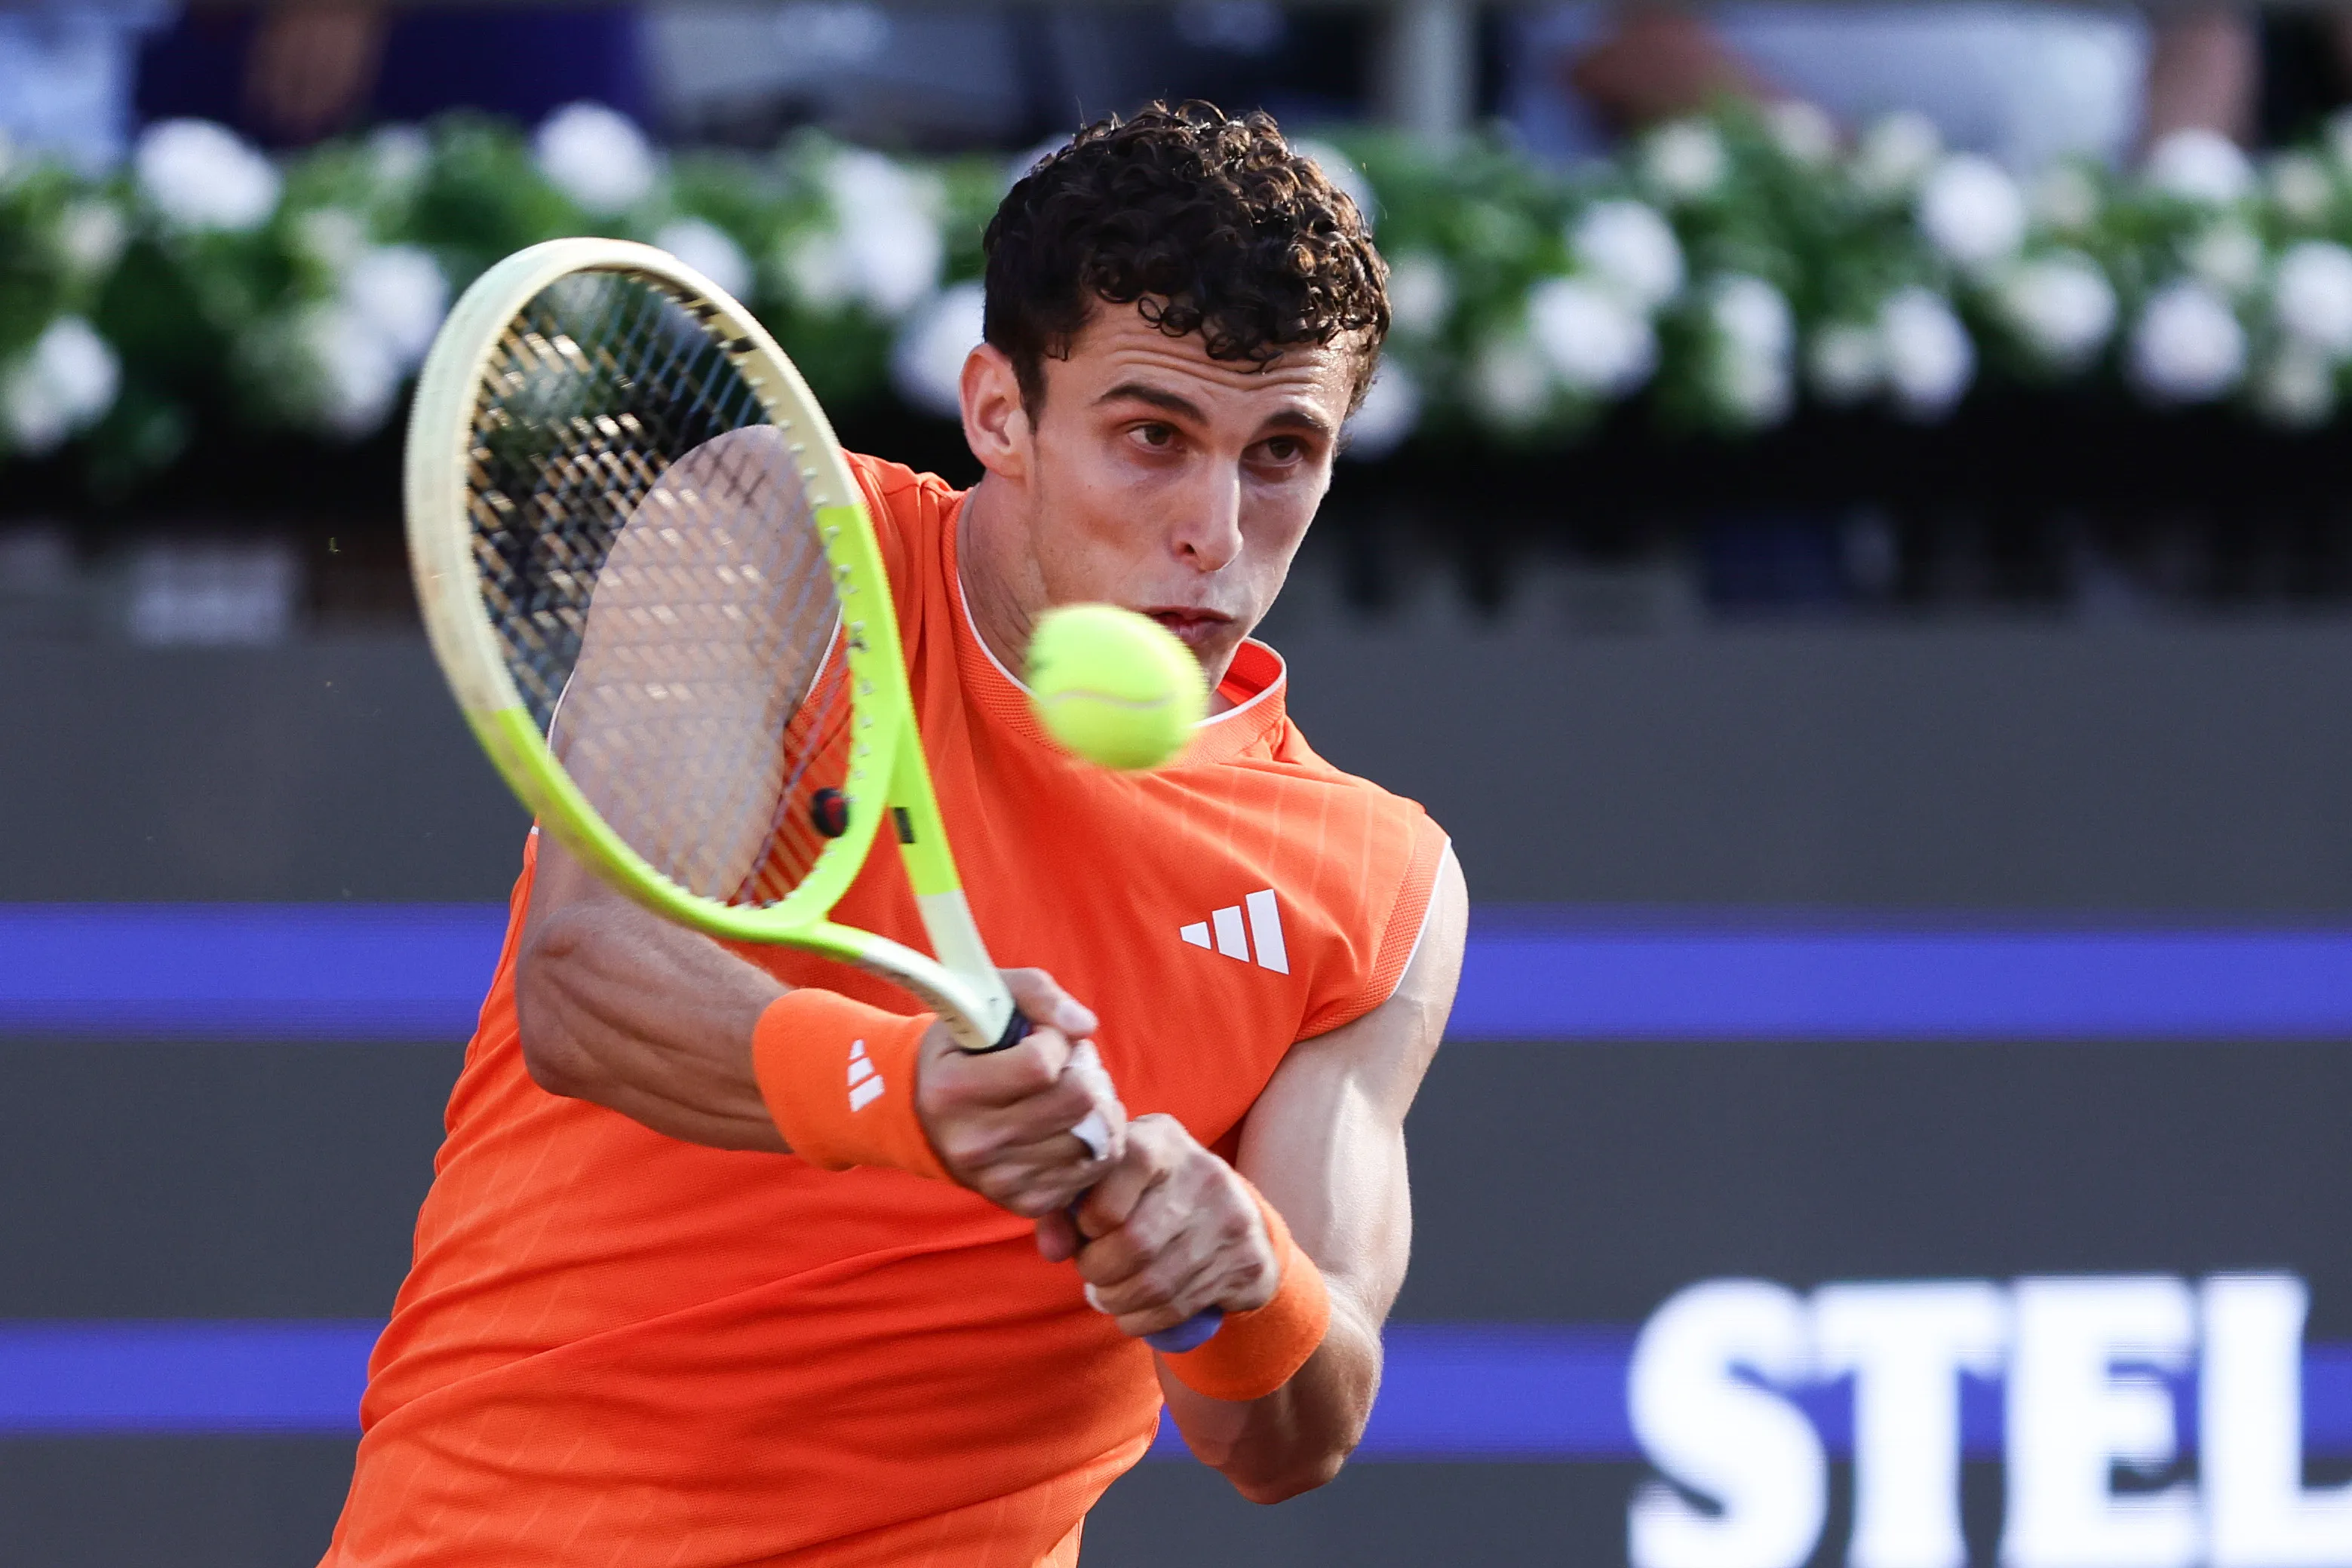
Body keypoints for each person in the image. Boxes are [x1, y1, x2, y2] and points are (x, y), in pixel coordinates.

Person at [320, 103, 1466, 1567]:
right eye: (1150, 436)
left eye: (1280, 452)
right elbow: (591, 981)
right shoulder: (774, 532)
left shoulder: (1374, 884)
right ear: (999, 411)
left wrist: (1241, 1287)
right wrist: (909, 1087)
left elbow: (1292, 1435)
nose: (1213, 527)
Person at [1511, 2, 2258, 169]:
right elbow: (1615, 47)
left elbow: (2205, 31)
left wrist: (2173, 201)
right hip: (1777, 262)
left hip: (2091, 294)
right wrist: (1878, 192)